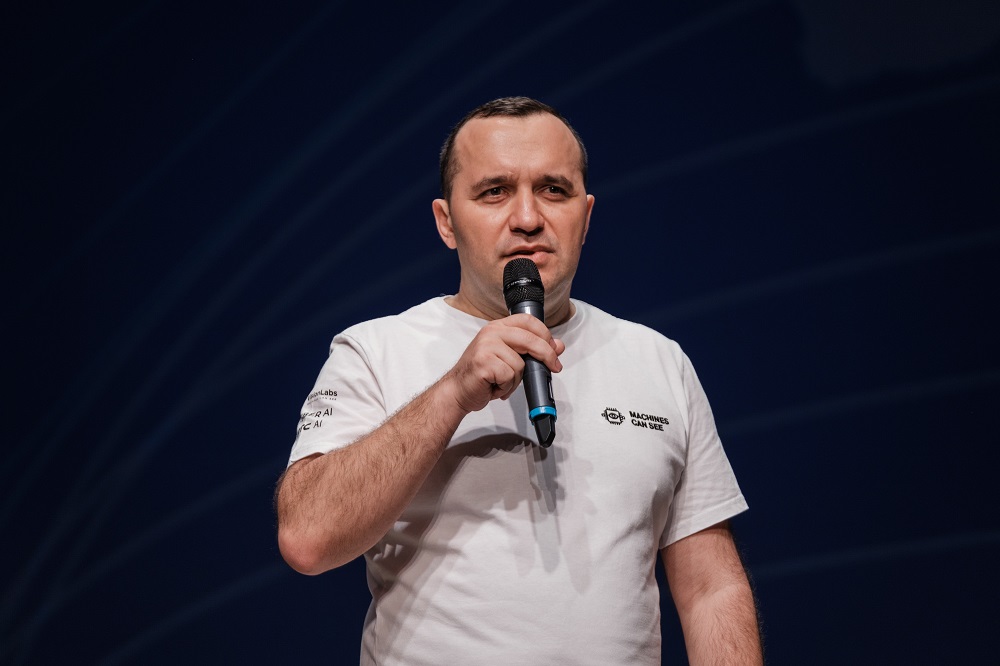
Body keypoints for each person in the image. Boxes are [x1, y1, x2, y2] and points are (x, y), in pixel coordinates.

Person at [276, 96, 762, 664]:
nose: (528, 217)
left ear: (586, 216)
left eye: (554, 190)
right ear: (446, 222)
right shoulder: (375, 350)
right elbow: (307, 536)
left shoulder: (658, 361)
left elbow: (710, 589)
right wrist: (451, 394)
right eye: (494, 192)